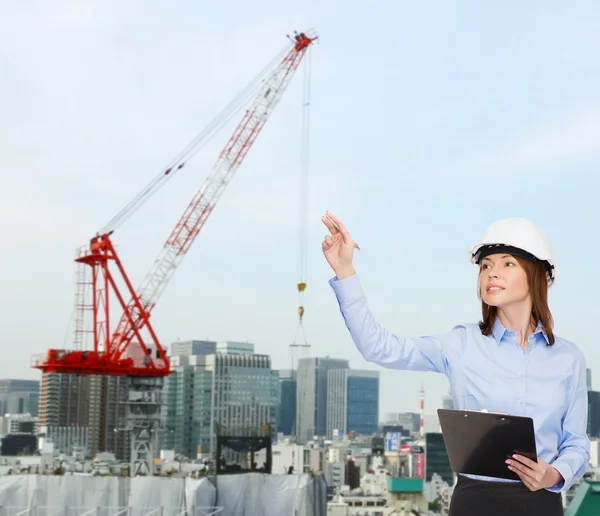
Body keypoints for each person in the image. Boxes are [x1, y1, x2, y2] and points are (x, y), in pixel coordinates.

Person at [321, 211, 590, 516]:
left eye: (507, 263)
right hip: (474, 502)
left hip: (541, 503)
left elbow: (577, 444)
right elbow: (378, 347)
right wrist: (345, 270)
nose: (492, 272)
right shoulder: (460, 343)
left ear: (537, 274)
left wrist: (554, 474)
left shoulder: (568, 358)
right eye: (486, 265)